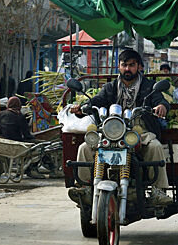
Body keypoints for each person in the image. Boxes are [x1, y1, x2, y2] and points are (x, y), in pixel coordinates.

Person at [70, 49, 171, 205]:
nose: (127, 69)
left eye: (131, 65)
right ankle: (85, 188)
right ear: (119, 66)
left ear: (139, 67)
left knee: (155, 146)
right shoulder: (111, 87)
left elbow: (161, 100)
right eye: (124, 65)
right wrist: (81, 108)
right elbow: (96, 101)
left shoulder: (149, 86)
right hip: (112, 129)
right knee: (84, 147)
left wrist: (161, 106)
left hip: (139, 129)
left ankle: (158, 191)